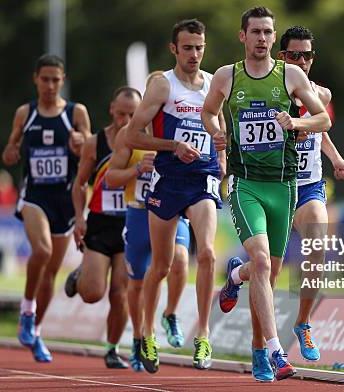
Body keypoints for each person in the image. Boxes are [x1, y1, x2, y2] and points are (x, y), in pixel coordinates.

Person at [202, 7, 331, 382]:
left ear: (274, 40)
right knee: (262, 263)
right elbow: (209, 112)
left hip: (284, 186)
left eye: (267, 32)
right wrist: (216, 131)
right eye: (255, 31)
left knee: (266, 274)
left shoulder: (290, 75)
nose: (262, 38)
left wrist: (297, 122)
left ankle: (235, 278)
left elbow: (323, 118)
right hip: (246, 185)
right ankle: (273, 352)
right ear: (243, 36)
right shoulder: (228, 76)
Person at [122, 19, 226, 373]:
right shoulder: (161, 86)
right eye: (187, 48)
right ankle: (148, 332)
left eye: (199, 47)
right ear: (174, 49)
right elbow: (132, 136)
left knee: (208, 253)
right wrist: (172, 146)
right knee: (162, 266)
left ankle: (204, 334)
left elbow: (219, 127)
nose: (194, 54)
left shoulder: (214, 83)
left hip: (202, 180)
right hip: (167, 180)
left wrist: (222, 159)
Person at [2, 54, 91, 362]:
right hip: (34, 196)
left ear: (62, 80)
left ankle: (35, 331)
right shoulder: (24, 114)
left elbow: (91, 153)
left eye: (56, 80)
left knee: (51, 271)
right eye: (45, 79)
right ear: (35, 79)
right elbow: (10, 150)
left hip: (65, 201)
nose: (50, 85)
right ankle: (27, 310)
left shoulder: (75, 112)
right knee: (41, 251)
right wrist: (11, 152)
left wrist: (82, 141)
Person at [105, 73, 191, 372]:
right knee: (138, 282)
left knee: (180, 261)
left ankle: (170, 313)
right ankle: (140, 336)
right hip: (139, 213)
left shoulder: (175, 128)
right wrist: (136, 170)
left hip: (171, 208)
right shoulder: (129, 137)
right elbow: (110, 179)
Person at [63, 87, 142, 369]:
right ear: (111, 109)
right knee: (93, 293)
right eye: (121, 114)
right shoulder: (95, 143)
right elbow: (80, 183)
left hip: (130, 223)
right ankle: (81, 275)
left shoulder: (144, 142)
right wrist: (79, 218)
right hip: (99, 223)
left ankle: (112, 348)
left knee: (120, 290)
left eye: (132, 114)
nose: (125, 120)